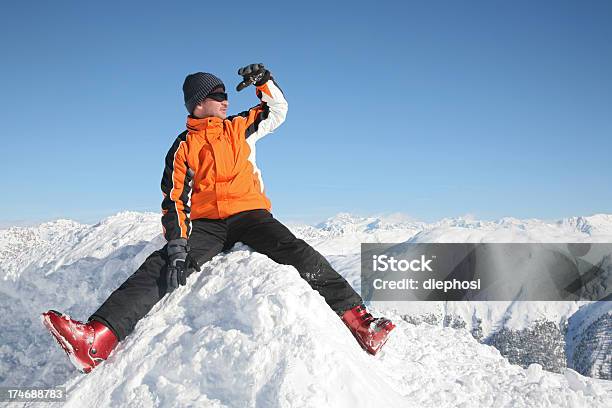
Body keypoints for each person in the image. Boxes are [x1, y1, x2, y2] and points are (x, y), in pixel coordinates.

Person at [42, 64, 395, 373]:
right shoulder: (183, 146)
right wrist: (178, 242)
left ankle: (361, 323)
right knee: (164, 265)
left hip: (251, 214)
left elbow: (278, 110)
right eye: (217, 94)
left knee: (298, 252)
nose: (226, 99)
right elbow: (175, 199)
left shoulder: (239, 127)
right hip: (208, 224)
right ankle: (97, 340)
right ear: (197, 103)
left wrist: (264, 81)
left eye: (226, 93)